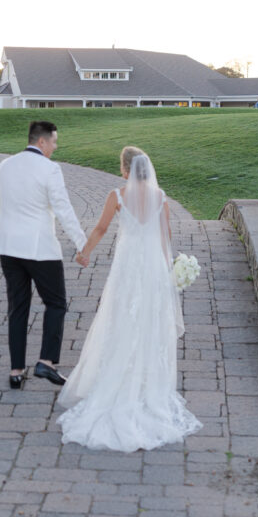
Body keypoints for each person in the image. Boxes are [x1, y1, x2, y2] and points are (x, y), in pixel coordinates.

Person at [56, 146, 201, 451]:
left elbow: (100, 228)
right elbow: (166, 238)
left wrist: (85, 253)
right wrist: (169, 272)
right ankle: (147, 385)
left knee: (120, 318)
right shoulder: (161, 199)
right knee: (149, 322)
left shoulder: (117, 196)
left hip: (127, 266)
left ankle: (119, 378)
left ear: (125, 170)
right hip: (151, 269)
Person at [0, 120, 87, 389]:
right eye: (54, 142)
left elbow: (0, 204)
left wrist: (9, 231)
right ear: (42, 141)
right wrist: (82, 243)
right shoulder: (50, 169)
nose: (55, 147)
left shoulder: (5, 165)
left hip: (8, 247)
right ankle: (47, 362)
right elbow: (63, 209)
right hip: (39, 248)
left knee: (17, 307)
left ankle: (16, 371)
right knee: (56, 303)